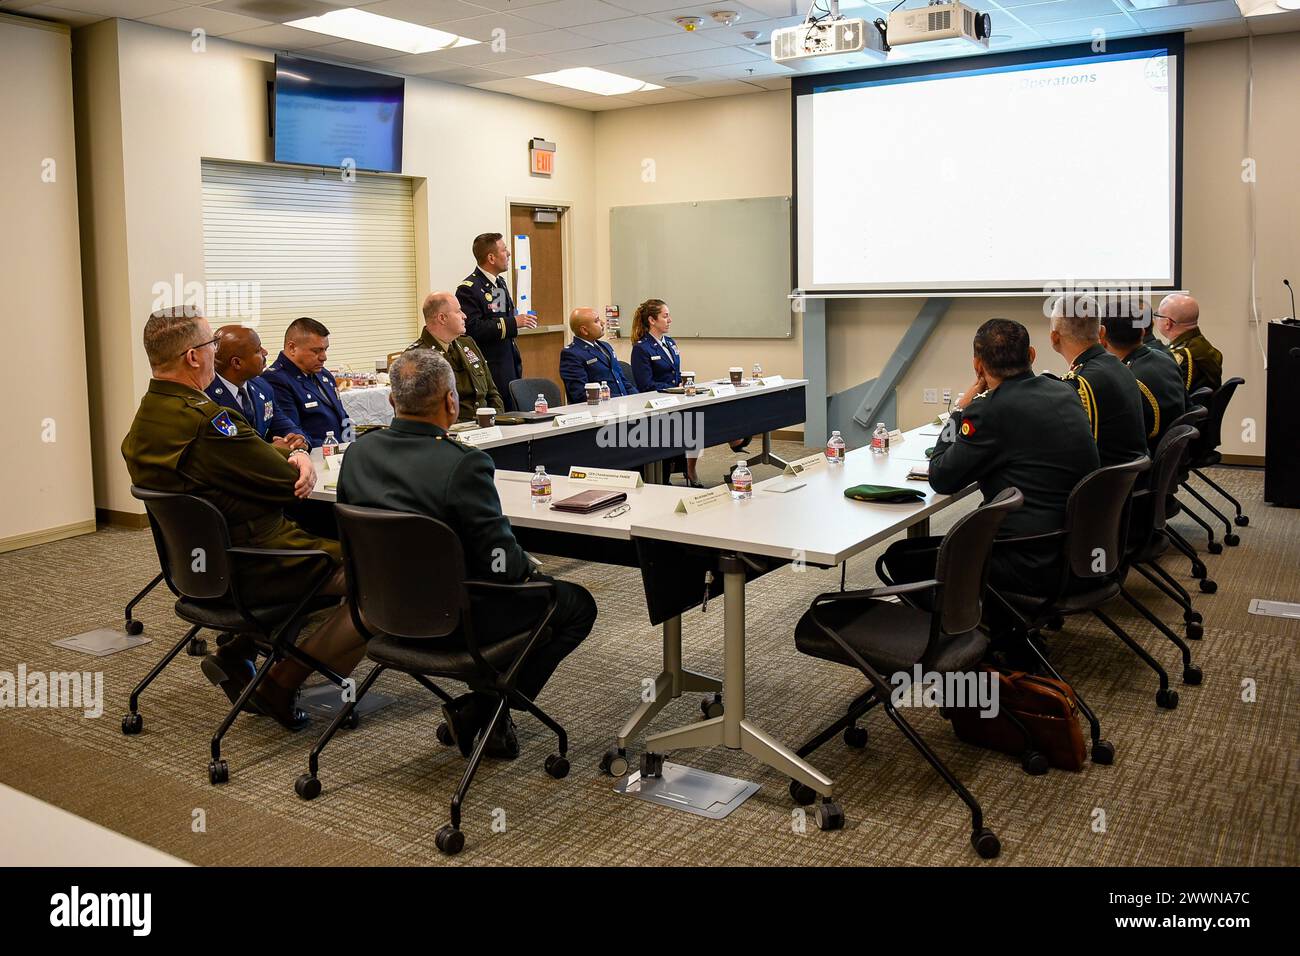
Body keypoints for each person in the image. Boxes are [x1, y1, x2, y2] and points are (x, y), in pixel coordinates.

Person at [336, 349, 596, 760]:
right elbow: (502, 566)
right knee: (575, 605)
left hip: (381, 612)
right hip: (457, 621)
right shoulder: (463, 464)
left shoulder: (358, 454)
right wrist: (528, 569)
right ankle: (488, 708)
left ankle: (486, 710)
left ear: (390, 402)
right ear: (451, 402)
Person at [121, 308, 367, 730]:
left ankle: (237, 650)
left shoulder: (148, 415)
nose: (216, 354)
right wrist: (295, 458)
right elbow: (283, 481)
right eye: (211, 346)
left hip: (199, 567)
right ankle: (280, 682)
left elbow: (245, 454)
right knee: (376, 577)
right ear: (193, 358)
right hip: (256, 559)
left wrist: (279, 453)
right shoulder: (207, 420)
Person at [880, 319, 1099, 605]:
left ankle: (967, 635)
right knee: (921, 551)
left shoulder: (990, 410)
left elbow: (942, 477)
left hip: (1028, 559)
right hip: (1075, 548)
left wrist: (959, 413)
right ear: (1031, 355)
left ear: (977, 365)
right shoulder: (1063, 391)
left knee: (901, 557)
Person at [1049, 296, 1149, 469]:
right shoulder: (1118, 365)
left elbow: (1074, 452)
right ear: (1102, 332)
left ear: (1055, 337)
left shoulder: (1081, 382)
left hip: (1103, 487)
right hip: (1126, 479)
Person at [457, 232, 537, 410]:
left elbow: (497, 318)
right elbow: (473, 329)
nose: (508, 254)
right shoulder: (469, 289)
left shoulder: (497, 284)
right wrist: (514, 322)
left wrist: (512, 322)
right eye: (504, 249)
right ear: (491, 257)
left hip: (507, 362)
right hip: (490, 367)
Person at [405, 291, 504, 423]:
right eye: (458, 312)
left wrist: (496, 420)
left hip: (487, 427)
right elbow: (423, 412)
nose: (464, 316)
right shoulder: (416, 356)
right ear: (442, 318)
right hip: (452, 433)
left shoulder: (467, 343)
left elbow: (492, 393)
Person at [204, 325, 307, 450]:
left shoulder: (262, 386)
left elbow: (283, 425)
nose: (265, 352)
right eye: (258, 350)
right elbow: (224, 452)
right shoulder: (206, 397)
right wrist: (272, 451)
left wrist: (298, 439)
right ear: (237, 363)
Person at [1099, 308, 1187, 452]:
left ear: (1101, 339)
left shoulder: (1125, 380)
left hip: (1144, 459)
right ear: (1142, 332)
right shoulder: (1166, 358)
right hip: (1170, 452)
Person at [262, 317, 351, 446]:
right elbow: (293, 435)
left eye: (325, 349)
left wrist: (353, 446)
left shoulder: (323, 374)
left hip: (338, 454)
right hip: (312, 457)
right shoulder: (275, 380)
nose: (323, 357)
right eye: (316, 351)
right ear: (292, 348)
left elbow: (343, 417)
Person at [559, 307, 636, 404]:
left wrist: (638, 398)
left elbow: (622, 380)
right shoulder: (572, 354)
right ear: (584, 330)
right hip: (599, 409)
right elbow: (580, 394)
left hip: (621, 405)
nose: (603, 323)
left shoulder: (605, 346)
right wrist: (619, 401)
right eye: (597, 321)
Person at [1155, 293, 1223, 395]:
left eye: (1157, 315)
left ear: (1167, 323)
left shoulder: (1182, 356)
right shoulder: (1201, 344)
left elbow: (1168, 397)